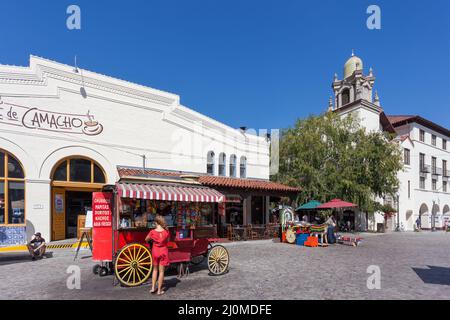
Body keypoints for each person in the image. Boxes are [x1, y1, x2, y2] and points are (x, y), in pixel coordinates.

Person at [145, 215, 170, 295]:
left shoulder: (152, 232)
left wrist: (152, 240)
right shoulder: (166, 232)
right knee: (161, 271)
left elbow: (146, 239)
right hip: (163, 251)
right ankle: (159, 290)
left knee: (155, 270)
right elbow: (168, 241)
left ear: (156, 222)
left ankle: (152, 288)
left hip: (155, 251)